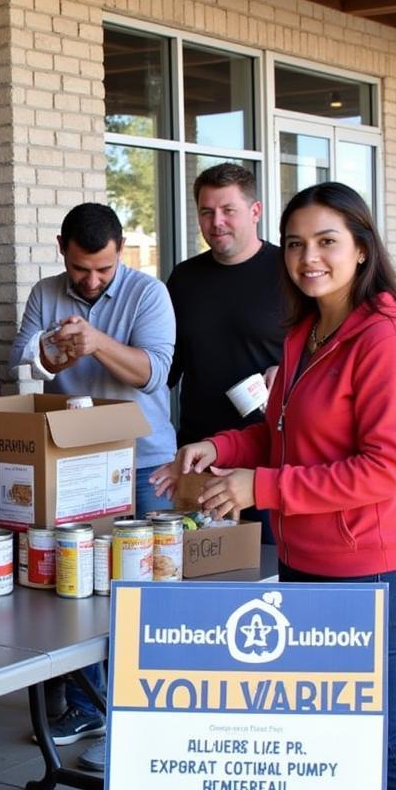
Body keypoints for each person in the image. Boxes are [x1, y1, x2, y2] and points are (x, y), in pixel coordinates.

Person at [150, 181, 396, 790]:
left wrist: (257, 487)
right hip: (307, 556)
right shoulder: (304, 332)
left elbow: (382, 471)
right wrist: (217, 447)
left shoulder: (389, 339)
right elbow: (277, 433)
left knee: (377, 726)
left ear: (361, 247)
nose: (309, 257)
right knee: (329, 724)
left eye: (327, 241)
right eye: (298, 243)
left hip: (372, 562)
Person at [10, 203, 177, 761]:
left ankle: (144, 705)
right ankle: (90, 702)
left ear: (120, 251)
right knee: (79, 584)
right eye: (82, 268)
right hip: (73, 462)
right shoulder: (45, 291)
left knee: (142, 590)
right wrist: (58, 348)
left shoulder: (148, 293)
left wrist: (97, 341)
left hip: (144, 460)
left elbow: (153, 372)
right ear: (62, 248)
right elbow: (26, 362)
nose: (91, 280)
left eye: (103, 269)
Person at [167, 163, 285, 541]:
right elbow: (168, 367)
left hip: (269, 461)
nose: (216, 222)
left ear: (255, 211)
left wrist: (287, 371)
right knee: (202, 576)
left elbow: (322, 352)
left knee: (269, 578)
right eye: (206, 211)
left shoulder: (290, 272)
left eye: (228, 210)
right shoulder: (184, 278)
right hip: (200, 456)